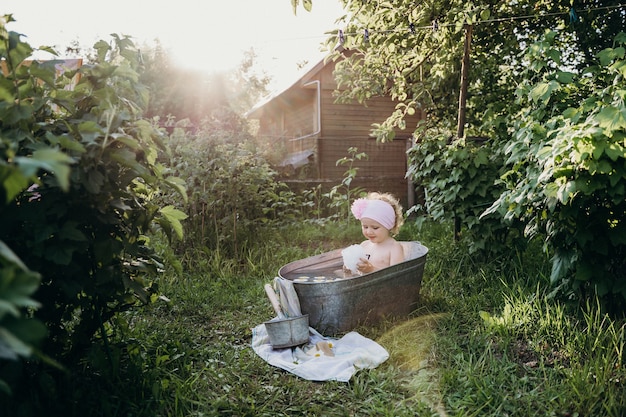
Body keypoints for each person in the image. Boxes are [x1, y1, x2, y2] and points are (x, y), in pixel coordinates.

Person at [349, 192, 405, 274]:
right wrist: (350, 269)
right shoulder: (364, 245)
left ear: (388, 226)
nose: (368, 231)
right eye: (365, 227)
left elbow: (396, 276)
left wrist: (372, 270)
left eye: (375, 228)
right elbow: (357, 273)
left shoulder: (394, 248)